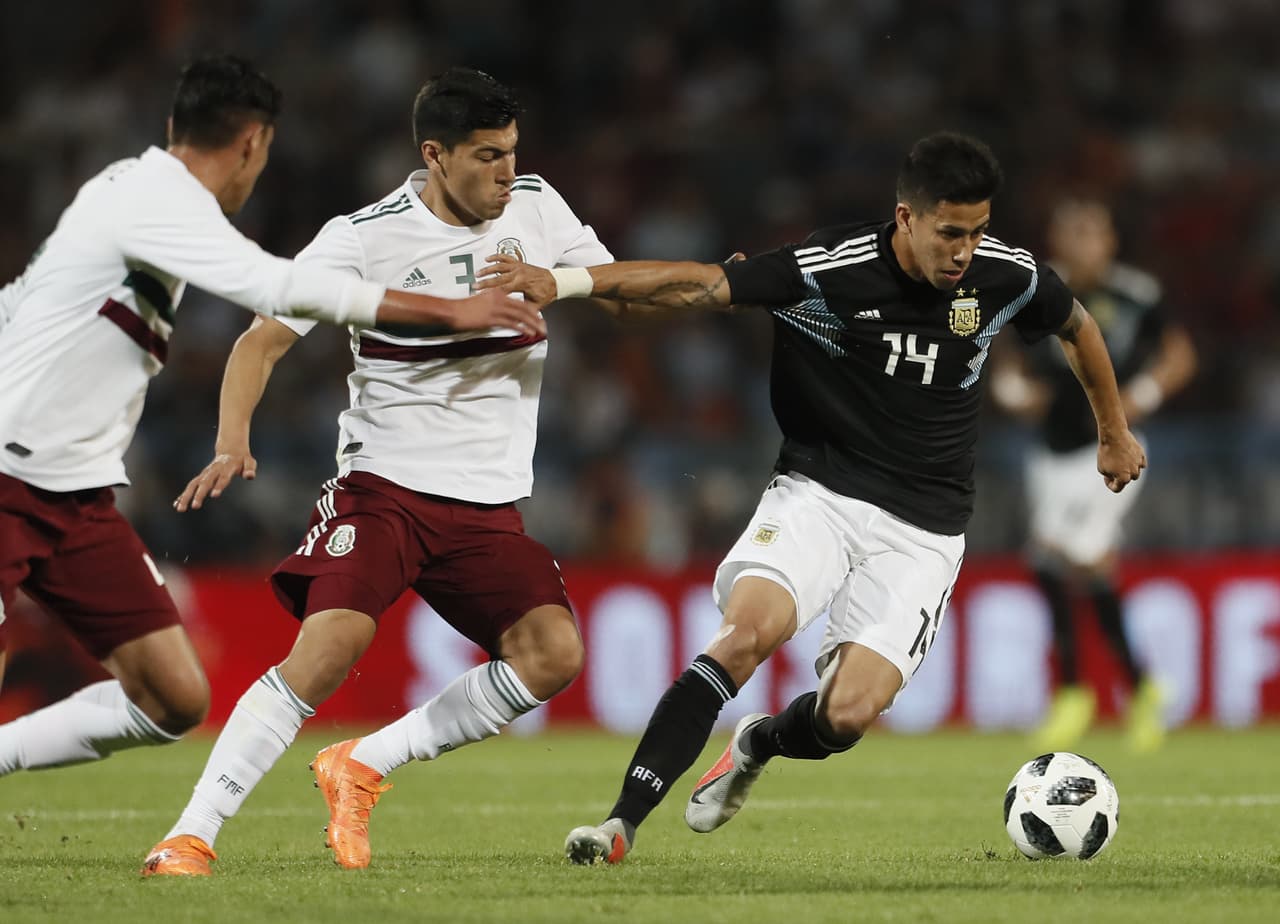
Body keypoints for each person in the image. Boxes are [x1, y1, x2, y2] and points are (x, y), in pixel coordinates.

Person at [481, 131, 1147, 864]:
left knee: (847, 716)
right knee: (744, 636)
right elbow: (700, 283)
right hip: (819, 492)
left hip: (925, 527)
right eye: (950, 232)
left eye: (977, 231)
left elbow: (1076, 326)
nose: (964, 250)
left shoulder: (1005, 275)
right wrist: (570, 283)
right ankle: (620, 824)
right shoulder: (830, 270)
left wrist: (1112, 431)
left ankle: (758, 741)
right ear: (906, 218)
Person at [0, 56, 538, 789]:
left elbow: (19, 299)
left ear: (173, 125)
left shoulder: (120, 189)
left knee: (174, 697)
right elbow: (275, 284)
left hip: (74, 494)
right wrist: (452, 310)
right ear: (254, 144)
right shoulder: (159, 205)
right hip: (10, 472)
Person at [142, 67, 613, 877]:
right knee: (326, 652)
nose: (507, 173)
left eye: (512, 153)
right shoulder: (363, 237)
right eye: (487, 157)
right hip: (387, 489)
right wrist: (231, 439)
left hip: (490, 508)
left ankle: (362, 764)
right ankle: (190, 834)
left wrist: (712, 285)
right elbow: (261, 340)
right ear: (436, 154)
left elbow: (614, 290)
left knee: (553, 654)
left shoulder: (539, 207)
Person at [990, 198, 1195, 753]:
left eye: (1090, 232)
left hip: (1110, 448)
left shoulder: (1137, 294)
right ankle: (1139, 690)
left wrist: (1143, 394)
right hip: (1051, 451)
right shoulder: (1037, 295)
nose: (1081, 244)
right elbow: (1005, 360)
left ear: (1110, 240)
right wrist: (1011, 391)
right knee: (1055, 561)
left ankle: (1076, 695)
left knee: (1072, 552)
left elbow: (1180, 355)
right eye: (1070, 233)